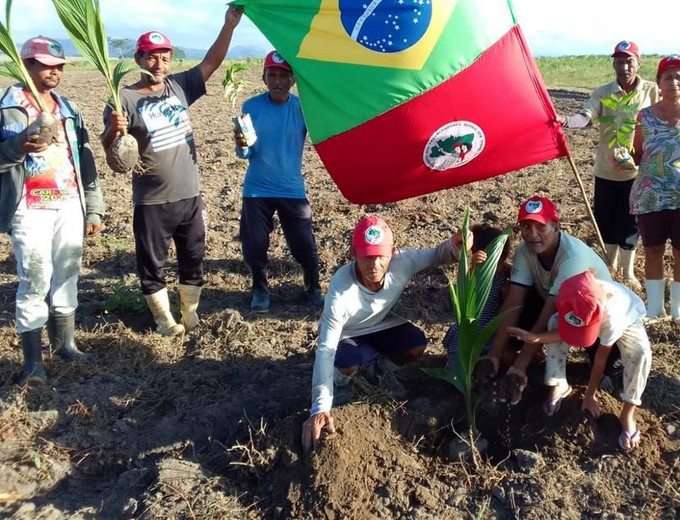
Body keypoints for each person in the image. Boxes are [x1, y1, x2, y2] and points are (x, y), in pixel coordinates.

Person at [101, 7, 243, 335]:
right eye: (152, 57)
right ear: (138, 59)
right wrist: (112, 129)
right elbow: (111, 154)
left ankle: (190, 314)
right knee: (153, 263)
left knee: (193, 256)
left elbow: (212, 62)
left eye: (165, 57)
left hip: (189, 195)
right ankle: (164, 320)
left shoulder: (178, 87)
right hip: (152, 199)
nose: (159, 64)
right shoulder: (123, 98)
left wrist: (228, 26)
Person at [301, 216, 467, 451]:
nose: (375, 264)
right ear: (353, 253)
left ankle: (380, 371)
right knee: (347, 362)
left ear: (393, 252)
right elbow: (326, 348)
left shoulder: (403, 261)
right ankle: (341, 383)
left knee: (416, 344)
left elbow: (438, 254)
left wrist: (456, 244)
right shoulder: (341, 291)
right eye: (367, 255)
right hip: (348, 332)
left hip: (381, 324)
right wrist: (319, 407)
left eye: (381, 255)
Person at [0, 36, 105, 385]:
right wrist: (16, 145)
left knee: (67, 270)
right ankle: (32, 362)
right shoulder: (9, 106)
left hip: (68, 203)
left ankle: (65, 344)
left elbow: (84, 161)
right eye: (47, 65)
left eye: (59, 67)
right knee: (34, 276)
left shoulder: (68, 108)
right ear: (27, 64)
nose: (54, 72)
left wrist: (93, 208)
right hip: (28, 206)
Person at [478, 196, 617, 405]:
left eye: (540, 226)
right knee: (508, 294)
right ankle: (528, 358)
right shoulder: (524, 252)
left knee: (605, 361)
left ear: (556, 226)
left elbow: (550, 310)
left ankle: (609, 364)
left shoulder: (572, 258)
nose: (532, 234)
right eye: (526, 226)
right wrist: (493, 355)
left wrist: (520, 367)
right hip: (554, 303)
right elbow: (515, 300)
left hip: (593, 314)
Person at [509, 270, 651, 451]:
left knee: (641, 355)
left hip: (628, 318)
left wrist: (590, 396)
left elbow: (600, 358)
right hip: (587, 314)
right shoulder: (571, 298)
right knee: (553, 322)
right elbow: (562, 330)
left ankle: (627, 413)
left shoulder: (614, 318)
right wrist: (536, 338)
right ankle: (558, 382)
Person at [561, 41, 659, 287]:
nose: (624, 66)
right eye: (619, 61)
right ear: (614, 64)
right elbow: (586, 116)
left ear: (638, 62)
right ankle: (609, 266)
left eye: (630, 61)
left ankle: (628, 273)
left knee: (630, 222)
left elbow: (665, 117)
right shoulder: (603, 93)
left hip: (637, 171)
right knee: (605, 218)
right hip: (606, 170)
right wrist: (565, 120)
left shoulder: (651, 91)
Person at [234, 51, 323, 312]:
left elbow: (323, 137)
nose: (277, 81)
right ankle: (260, 288)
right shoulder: (251, 106)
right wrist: (241, 146)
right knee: (254, 244)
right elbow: (245, 151)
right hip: (256, 189)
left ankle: (313, 286)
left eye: (283, 75)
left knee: (304, 244)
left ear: (292, 80)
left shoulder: (302, 107)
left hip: (291, 189)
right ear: (264, 78)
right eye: (271, 75)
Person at [629, 55, 680, 326]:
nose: (674, 82)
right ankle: (654, 310)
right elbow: (639, 153)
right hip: (652, 193)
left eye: (679, 77)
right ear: (659, 83)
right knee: (653, 249)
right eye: (668, 77)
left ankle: (679, 311)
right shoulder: (645, 116)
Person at [442, 223, 511, 372]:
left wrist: (511, 281)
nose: (494, 267)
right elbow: (466, 289)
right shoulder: (475, 274)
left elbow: (512, 270)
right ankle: (456, 372)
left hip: (490, 332)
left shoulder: (503, 273)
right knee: (459, 350)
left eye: (497, 261)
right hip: (471, 330)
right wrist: (473, 266)